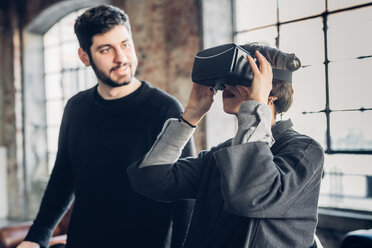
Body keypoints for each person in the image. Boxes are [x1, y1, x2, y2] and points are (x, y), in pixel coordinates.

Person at [18, 4, 195, 248]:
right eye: (106, 49)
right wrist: (37, 236)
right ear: (84, 57)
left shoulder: (165, 109)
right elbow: (62, 179)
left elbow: (184, 196)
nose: (121, 57)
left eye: (125, 44)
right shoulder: (76, 108)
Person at [127, 43, 325, 247]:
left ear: (272, 89)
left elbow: (252, 195)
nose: (227, 85)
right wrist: (191, 115)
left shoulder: (305, 151)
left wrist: (257, 104)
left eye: (244, 74)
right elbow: (152, 181)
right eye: (227, 78)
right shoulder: (222, 154)